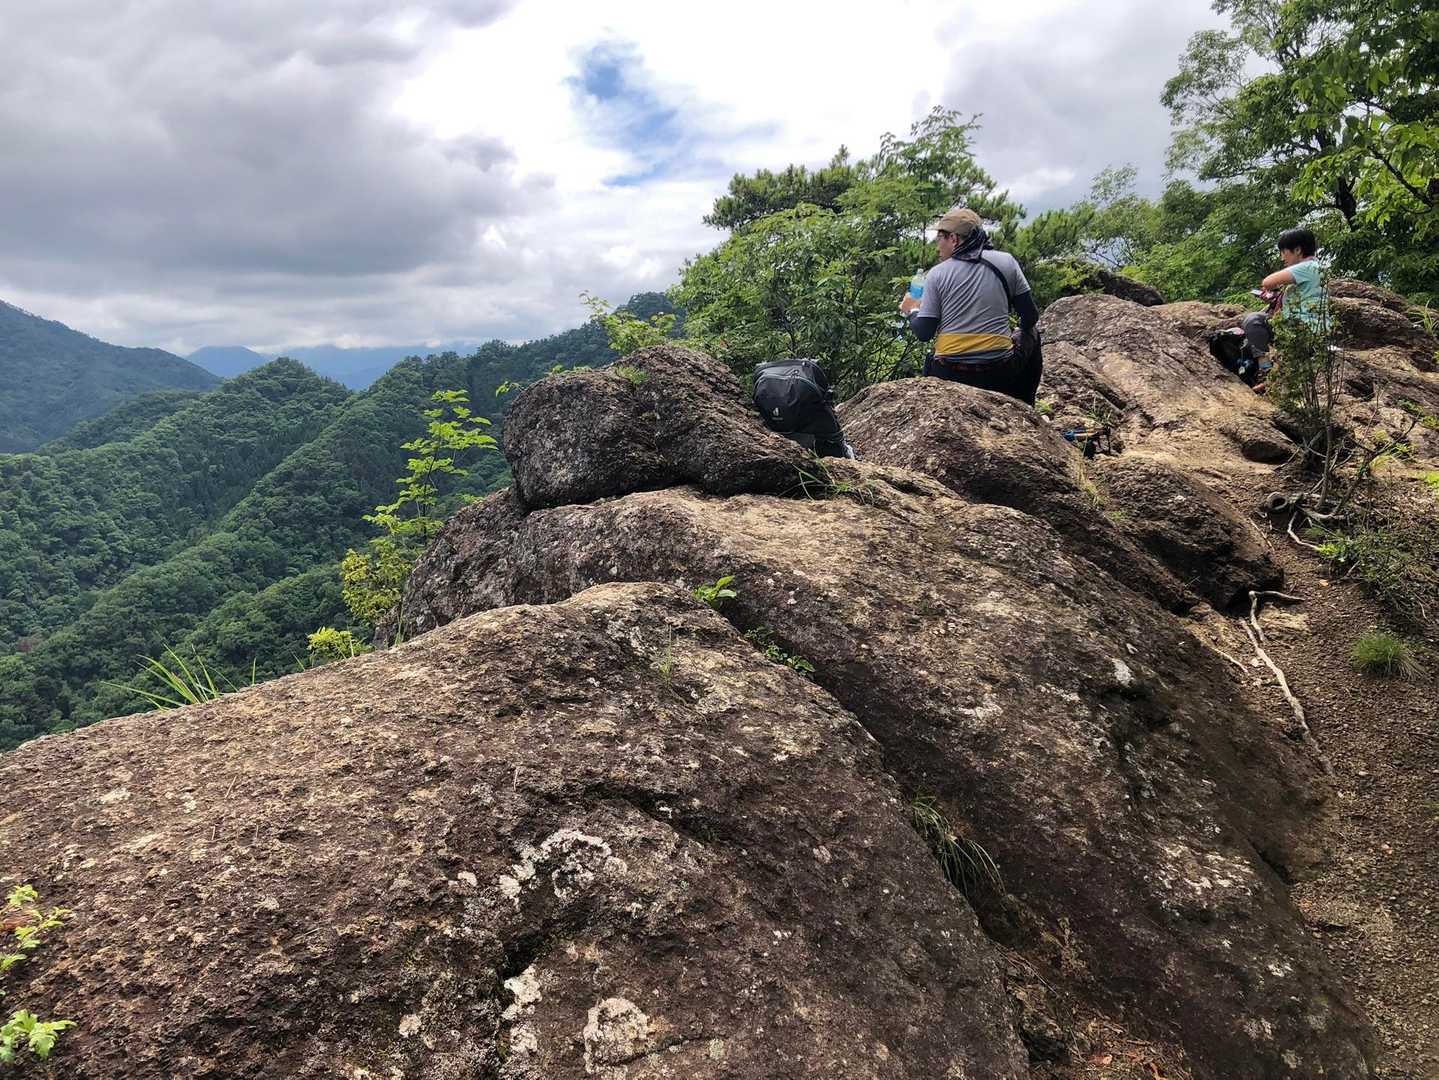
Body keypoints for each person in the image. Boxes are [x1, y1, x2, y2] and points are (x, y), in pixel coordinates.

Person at [899, 207, 1041, 405]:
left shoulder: (937, 274)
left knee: (934, 356)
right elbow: (1030, 317)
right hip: (999, 372)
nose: (937, 246)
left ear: (953, 239)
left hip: (948, 373)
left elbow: (924, 333)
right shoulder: (1006, 262)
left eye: (939, 238)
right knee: (1032, 333)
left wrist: (912, 310)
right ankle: (1023, 407)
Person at [1239, 227, 1326, 392]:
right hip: (1310, 330)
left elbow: (1267, 282)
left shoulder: (1307, 267)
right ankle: (1274, 375)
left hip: (1299, 329)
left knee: (1253, 320)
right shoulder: (1316, 268)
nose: (1282, 257)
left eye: (1284, 252)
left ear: (1298, 250)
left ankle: (1265, 369)